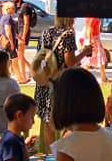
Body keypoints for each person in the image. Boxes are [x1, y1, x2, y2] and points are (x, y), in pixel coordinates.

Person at [35, 17, 92, 148]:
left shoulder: (45, 32)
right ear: (68, 18)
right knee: (66, 119)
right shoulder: (68, 35)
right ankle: (64, 152)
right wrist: (84, 52)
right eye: (73, 17)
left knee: (48, 123)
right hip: (61, 83)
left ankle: (51, 156)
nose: (75, 19)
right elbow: (70, 62)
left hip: (44, 81)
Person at [12, 0, 36, 83]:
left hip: (23, 34)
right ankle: (31, 70)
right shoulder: (17, 7)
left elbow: (26, 23)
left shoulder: (24, 7)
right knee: (20, 55)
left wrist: (23, 36)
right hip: (18, 33)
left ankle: (23, 77)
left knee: (20, 55)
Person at [0, 1, 22, 81]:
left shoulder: (4, 17)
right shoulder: (8, 17)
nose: (14, 9)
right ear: (8, 9)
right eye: (13, 8)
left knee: (10, 61)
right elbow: (8, 30)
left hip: (4, 43)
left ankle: (18, 77)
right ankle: (20, 78)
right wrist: (12, 43)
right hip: (8, 43)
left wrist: (17, 36)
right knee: (14, 60)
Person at [81, 16, 108, 83]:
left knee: (90, 59)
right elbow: (89, 28)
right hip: (94, 38)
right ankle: (103, 78)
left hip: (92, 38)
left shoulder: (89, 16)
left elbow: (87, 27)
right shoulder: (93, 16)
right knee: (98, 57)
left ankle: (103, 77)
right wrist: (89, 41)